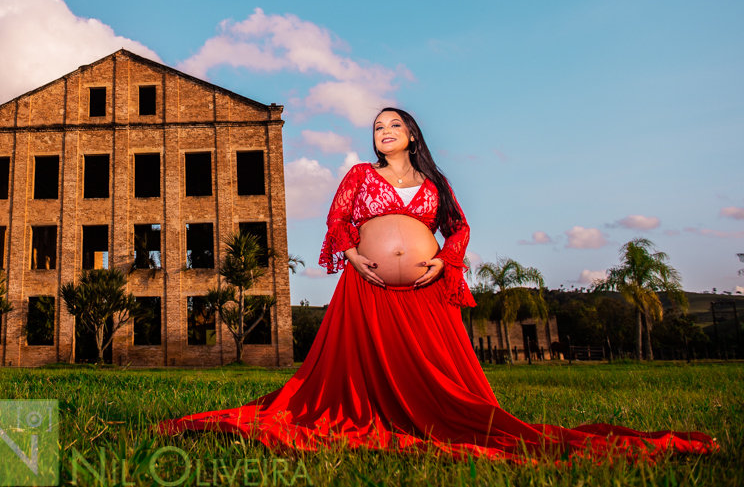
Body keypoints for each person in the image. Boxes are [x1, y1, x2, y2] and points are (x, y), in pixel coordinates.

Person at [156, 107, 716, 461]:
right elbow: (337, 220)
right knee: (356, 380)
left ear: (411, 134)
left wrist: (445, 261)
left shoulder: (434, 183)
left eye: (392, 125)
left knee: (437, 379)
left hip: (425, 290)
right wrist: (352, 254)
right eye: (376, 128)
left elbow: (460, 226)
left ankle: (440, 414)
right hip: (369, 287)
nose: (382, 133)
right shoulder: (359, 176)